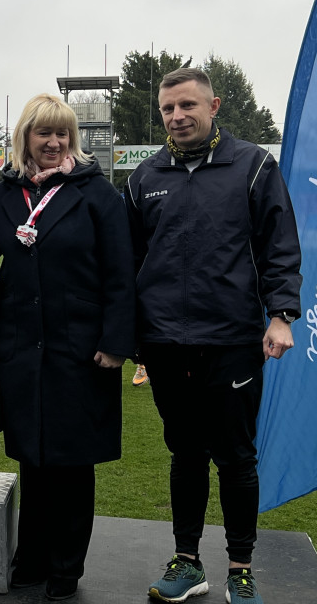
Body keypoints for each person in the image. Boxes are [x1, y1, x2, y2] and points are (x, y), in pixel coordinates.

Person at [126, 67, 301, 604]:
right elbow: (131, 262)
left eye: (187, 106)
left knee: (235, 456)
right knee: (184, 453)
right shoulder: (145, 176)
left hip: (230, 340)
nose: (177, 117)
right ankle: (187, 561)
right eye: (167, 110)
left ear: (214, 105)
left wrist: (282, 314)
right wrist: (133, 340)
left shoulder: (252, 166)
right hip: (164, 343)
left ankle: (241, 567)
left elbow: (280, 245)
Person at [0, 93, 135, 601]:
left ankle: (66, 566)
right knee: (33, 457)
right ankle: (30, 555)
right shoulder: (5, 193)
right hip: (21, 346)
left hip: (80, 348)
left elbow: (121, 274)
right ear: (25, 138)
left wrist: (116, 342)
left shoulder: (96, 193)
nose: (54, 143)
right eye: (43, 134)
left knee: (72, 461)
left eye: (62, 134)